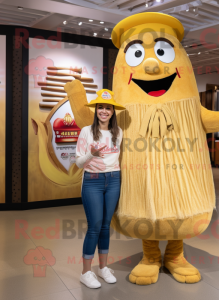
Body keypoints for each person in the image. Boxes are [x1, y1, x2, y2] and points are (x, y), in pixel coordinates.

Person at [75, 89, 126, 289]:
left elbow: (116, 159)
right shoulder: (86, 131)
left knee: (106, 225)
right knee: (94, 226)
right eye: (100, 107)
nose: (103, 111)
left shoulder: (118, 132)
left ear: (113, 111)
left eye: (107, 108)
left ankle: (103, 268)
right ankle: (85, 272)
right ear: (96, 110)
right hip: (92, 181)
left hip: (113, 180)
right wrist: (91, 154)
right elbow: (79, 163)